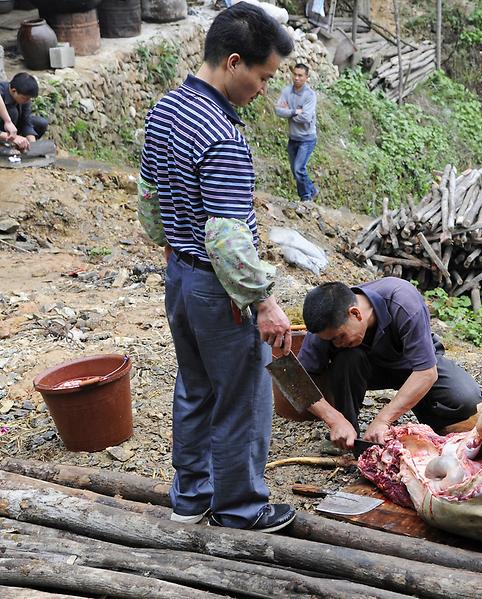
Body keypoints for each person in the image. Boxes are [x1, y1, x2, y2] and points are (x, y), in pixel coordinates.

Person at [138, 3, 297, 533]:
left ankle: (191, 494)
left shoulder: (166, 109)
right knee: (241, 399)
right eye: (263, 76)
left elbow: (149, 198)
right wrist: (265, 303)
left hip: (181, 276)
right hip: (218, 288)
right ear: (233, 62)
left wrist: (173, 255)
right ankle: (240, 508)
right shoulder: (223, 137)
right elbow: (228, 242)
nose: (264, 90)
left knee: (195, 387)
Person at [298, 278, 482, 450]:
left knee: (467, 397)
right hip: (366, 370)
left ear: (355, 313)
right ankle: (347, 433)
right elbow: (295, 380)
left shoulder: (403, 301)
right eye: (331, 341)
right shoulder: (324, 328)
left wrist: (383, 420)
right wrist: (334, 420)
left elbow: (426, 372)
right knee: (347, 358)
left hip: (414, 367)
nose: (336, 343)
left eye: (340, 337)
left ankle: (431, 423)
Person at [275, 63, 318, 202]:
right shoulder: (287, 91)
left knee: (299, 169)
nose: (297, 78)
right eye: (295, 74)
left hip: (307, 138)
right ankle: (312, 190)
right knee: (295, 170)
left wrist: (288, 113)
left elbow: (306, 117)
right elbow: (278, 110)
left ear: (306, 77)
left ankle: (306, 198)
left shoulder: (310, 95)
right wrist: (294, 111)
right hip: (293, 137)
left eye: (300, 75)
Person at [0, 72, 49, 152]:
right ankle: (5, 144)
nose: (28, 101)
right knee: (13, 112)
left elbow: (26, 121)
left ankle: (20, 146)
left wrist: (32, 144)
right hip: (3, 130)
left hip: (14, 127)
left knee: (41, 123)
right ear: (14, 91)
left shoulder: (25, 98)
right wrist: (12, 137)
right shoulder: (2, 92)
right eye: (25, 98)